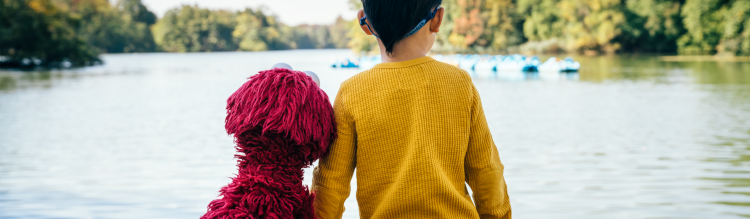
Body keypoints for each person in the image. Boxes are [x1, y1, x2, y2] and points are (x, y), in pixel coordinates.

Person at [312, 0, 511, 218]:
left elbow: (331, 183)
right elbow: (486, 172)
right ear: (437, 19)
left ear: (364, 22)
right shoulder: (459, 83)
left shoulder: (352, 91)